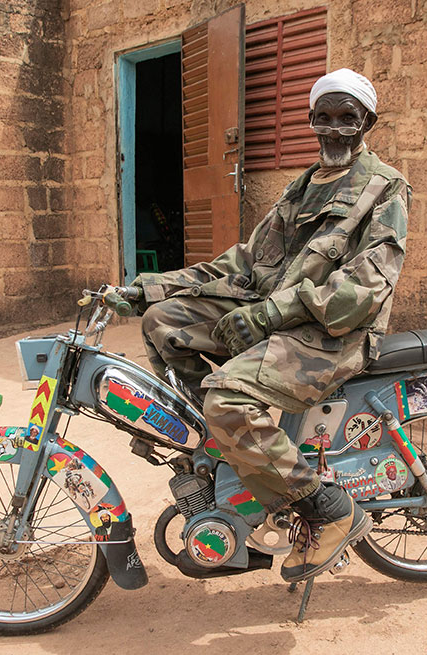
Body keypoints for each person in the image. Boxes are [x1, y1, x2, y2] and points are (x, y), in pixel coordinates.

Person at [130, 69, 410, 583]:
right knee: (162, 321)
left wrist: (273, 313)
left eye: (347, 118)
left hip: (332, 333)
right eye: (323, 117)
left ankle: (329, 510)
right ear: (310, 121)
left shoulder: (384, 187)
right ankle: (229, 450)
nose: (334, 130)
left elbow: (368, 286)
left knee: (227, 400)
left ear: (366, 120)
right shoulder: (302, 187)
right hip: (272, 316)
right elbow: (242, 264)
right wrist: (148, 287)